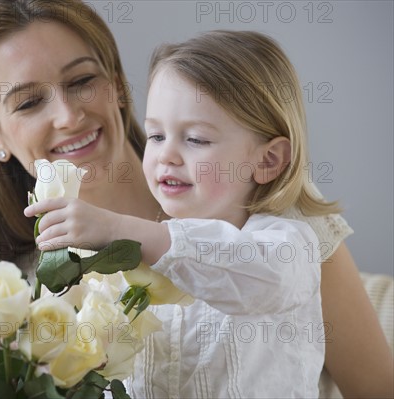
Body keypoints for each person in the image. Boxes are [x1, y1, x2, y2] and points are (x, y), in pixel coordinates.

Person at [0, 1, 393, 397]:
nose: (68, 115)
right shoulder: (11, 290)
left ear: (118, 86)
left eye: (82, 80)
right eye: (28, 102)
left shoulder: (274, 218)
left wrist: (126, 233)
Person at [24, 30, 324, 397]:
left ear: (268, 160)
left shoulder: (286, 244)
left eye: (195, 139)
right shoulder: (131, 267)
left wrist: (121, 229)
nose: (166, 155)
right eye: (155, 136)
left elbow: (261, 281)